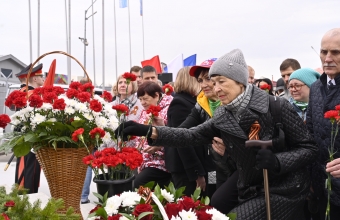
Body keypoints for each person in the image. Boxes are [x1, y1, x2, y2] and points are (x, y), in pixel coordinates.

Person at [116, 49, 318, 219]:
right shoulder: (223, 113)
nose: (216, 88)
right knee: (213, 210)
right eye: (213, 82)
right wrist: (147, 130)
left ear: (240, 82)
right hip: (248, 182)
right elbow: (190, 135)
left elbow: (309, 148)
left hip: (282, 186)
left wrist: (277, 161)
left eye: (221, 81)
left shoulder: (276, 106)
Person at [306, 28, 340, 220]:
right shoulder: (316, 88)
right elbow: (310, 133)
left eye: (335, 52)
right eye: (323, 51)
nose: (327, 58)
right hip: (320, 188)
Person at [165, 66, 209, 197]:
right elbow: (182, 141)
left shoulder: (189, 101)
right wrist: (197, 173)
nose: (202, 84)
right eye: (199, 80)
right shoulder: (180, 103)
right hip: (186, 169)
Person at [287, 68, 320, 219]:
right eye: (290, 86)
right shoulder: (285, 108)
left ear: (311, 85)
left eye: (297, 85)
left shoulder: (321, 109)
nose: (293, 90)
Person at [133, 81, 173, 189]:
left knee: (139, 184)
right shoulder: (145, 111)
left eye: (145, 99)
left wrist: (159, 144)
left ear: (156, 95)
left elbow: (174, 135)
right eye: (140, 99)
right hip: (145, 161)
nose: (142, 103)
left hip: (160, 163)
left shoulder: (170, 109)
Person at [14, 63, 44, 194]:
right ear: (35, 79)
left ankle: (22, 196)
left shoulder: (21, 92)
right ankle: (28, 197)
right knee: (30, 171)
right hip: (31, 138)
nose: (43, 78)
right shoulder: (31, 94)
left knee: (24, 168)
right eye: (41, 76)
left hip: (22, 137)